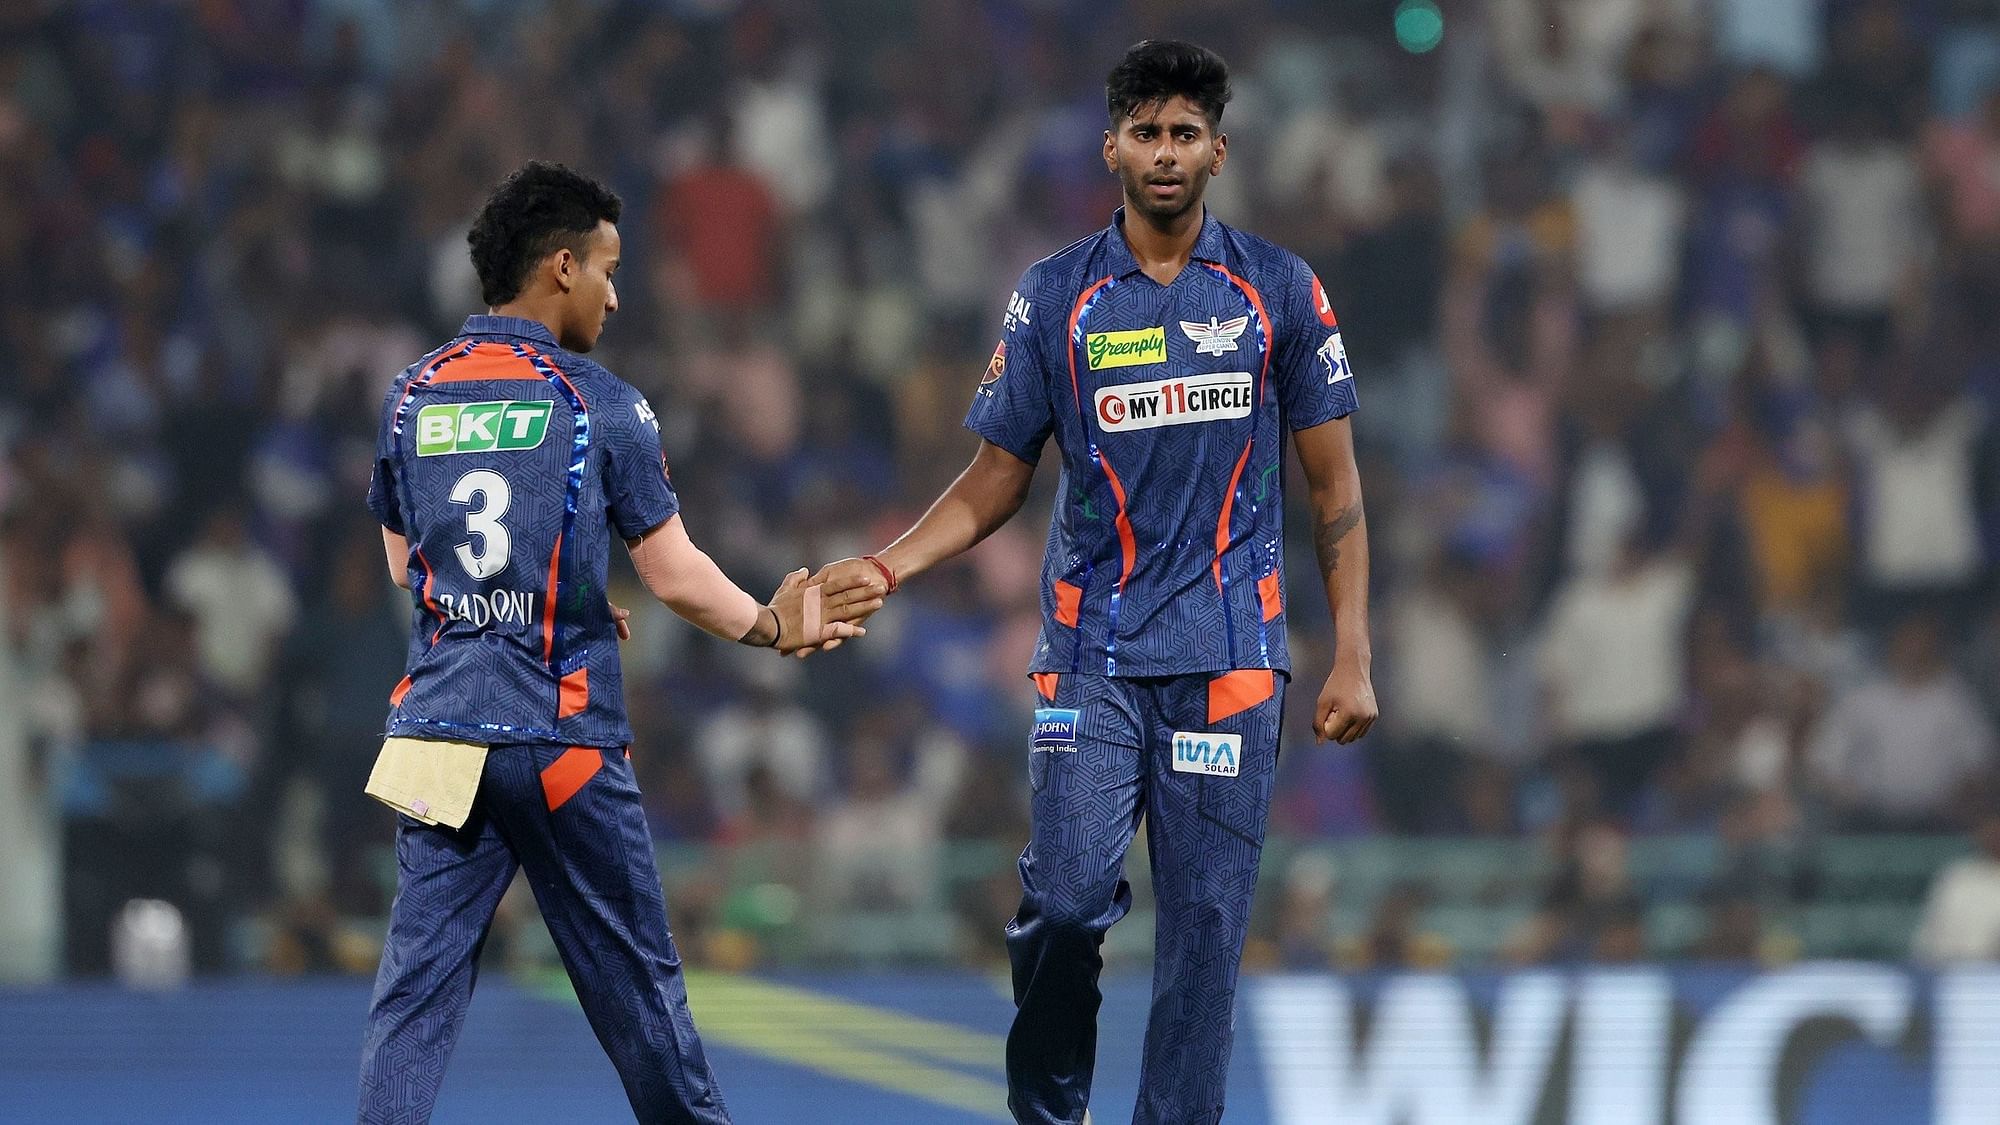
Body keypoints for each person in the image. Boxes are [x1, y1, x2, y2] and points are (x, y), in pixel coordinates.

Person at [811, 41, 1377, 1125]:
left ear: (1219, 149)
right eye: (1145, 133)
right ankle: (1046, 1116)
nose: (1164, 154)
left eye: (1184, 134)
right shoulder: (1054, 296)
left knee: (1205, 938)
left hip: (1230, 660)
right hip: (1091, 658)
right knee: (1065, 907)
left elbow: (1335, 487)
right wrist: (885, 566)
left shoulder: (1277, 290)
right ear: (1110, 144)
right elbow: (994, 478)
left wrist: (1350, 650)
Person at [356, 162, 864, 1124]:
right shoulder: (599, 402)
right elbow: (674, 576)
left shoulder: (411, 396)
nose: (616, 293)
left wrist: (543, 594)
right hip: (561, 739)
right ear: (559, 268)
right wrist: (769, 622)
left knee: (412, 1001)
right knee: (640, 995)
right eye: (606, 268)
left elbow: (406, 567)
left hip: (437, 738)